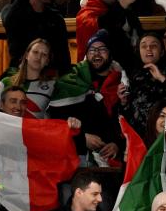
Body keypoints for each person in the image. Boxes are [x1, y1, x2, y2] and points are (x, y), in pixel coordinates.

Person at [49, 30, 124, 166]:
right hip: (75, 159)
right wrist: (82, 138)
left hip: (111, 164)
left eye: (102, 49)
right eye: (92, 50)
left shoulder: (122, 83)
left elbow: (127, 122)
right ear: (86, 55)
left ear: (110, 54)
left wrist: (117, 144)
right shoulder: (70, 82)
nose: (96, 53)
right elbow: (55, 121)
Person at [117, 33, 166, 136]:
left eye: (154, 46)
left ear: (162, 52)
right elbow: (125, 116)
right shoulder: (132, 76)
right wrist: (123, 102)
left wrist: (161, 78)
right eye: (144, 46)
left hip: (165, 135)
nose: (148, 48)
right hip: (139, 138)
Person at [2, 0, 71, 75]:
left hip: (52, 79)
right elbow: (17, 55)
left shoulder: (56, 19)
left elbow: (64, 59)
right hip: (21, 77)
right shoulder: (16, 15)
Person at [0, 39, 56, 118]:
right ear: (27, 55)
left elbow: (55, 117)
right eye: (35, 52)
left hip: (35, 129)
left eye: (44, 54)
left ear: (47, 61)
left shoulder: (53, 85)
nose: (39, 57)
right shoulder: (5, 82)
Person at [75, 0, 142, 72]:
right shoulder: (87, 12)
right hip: (98, 75)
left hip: (128, 72)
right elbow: (102, 27)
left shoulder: (122, 9)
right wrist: (123, 4)